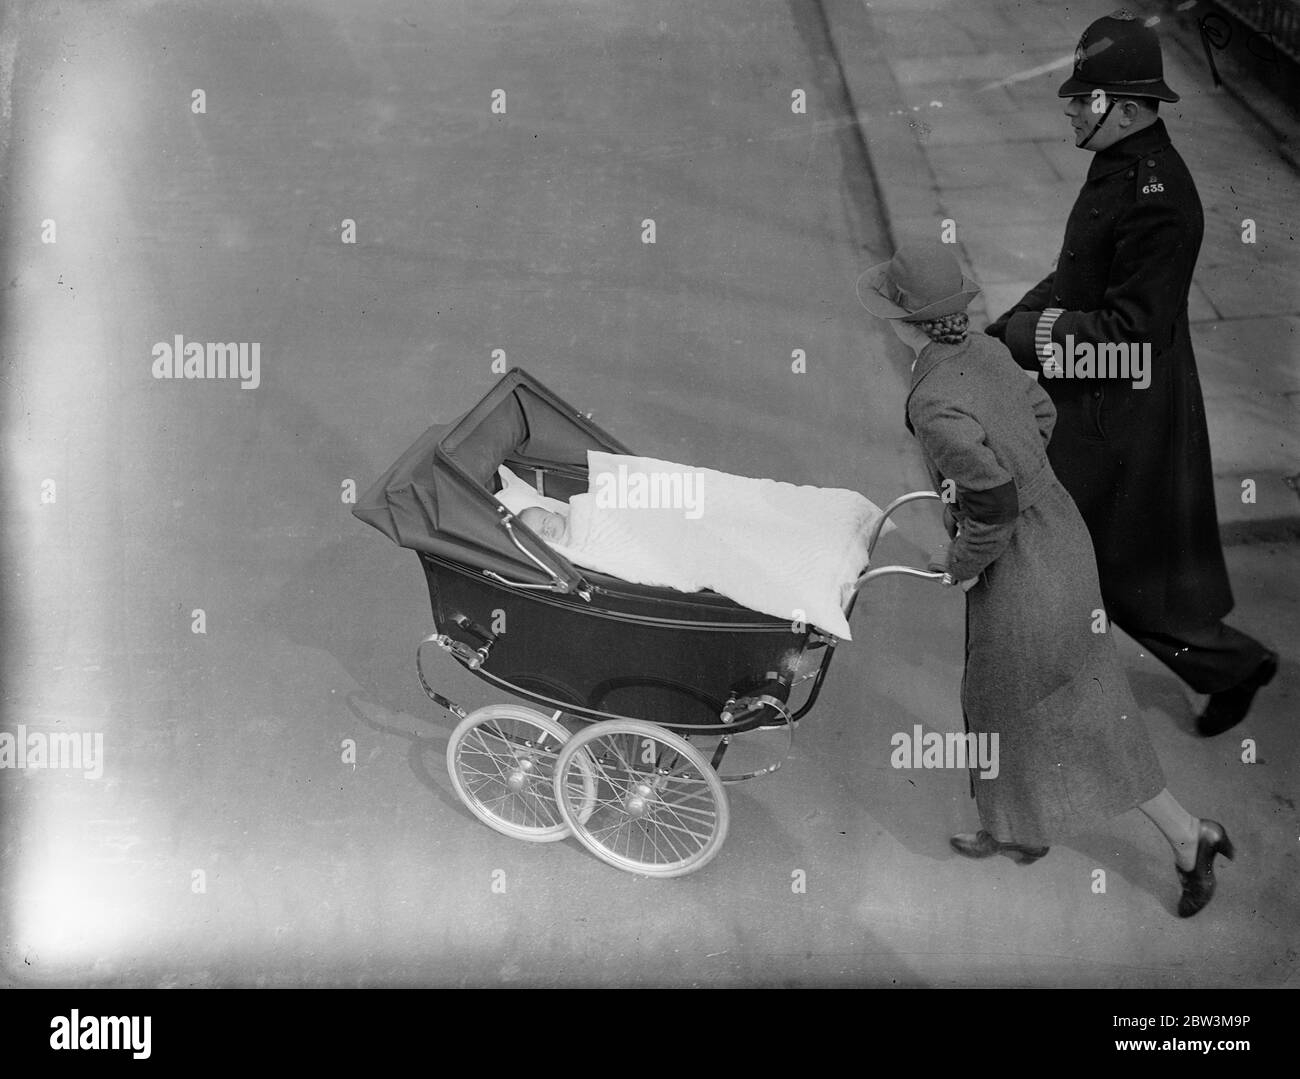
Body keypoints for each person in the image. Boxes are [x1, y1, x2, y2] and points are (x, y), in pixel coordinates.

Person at [858, 237, 1232, 916]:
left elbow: (993, 502)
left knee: (1075, 716)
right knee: (1006, 700)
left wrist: (962, 564)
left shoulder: (934, 401)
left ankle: (1189, 835)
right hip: (1060, 540)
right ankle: (1018, 826)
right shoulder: (987, 351)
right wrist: (1014, 477)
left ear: (905, 321)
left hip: (1023, 568)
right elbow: (1041, 414)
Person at [984, 10, 1276, 737]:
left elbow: (1126, 337)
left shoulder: (1161, 201)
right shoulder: (1118, 167)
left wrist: (1026, 336)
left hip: (1126, 414)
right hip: (1096, 405)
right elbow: (1075, 275)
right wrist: (1005, 328)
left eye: (1087, 98)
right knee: (1091, 559)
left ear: (1131, 107)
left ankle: (1220, 667)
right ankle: (1209, 667)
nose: (1073, 110)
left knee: (1104, 565)